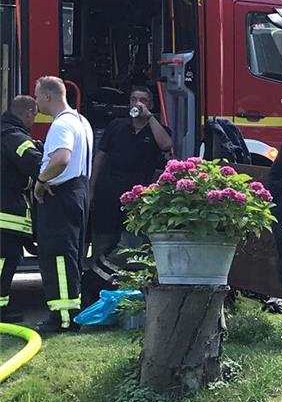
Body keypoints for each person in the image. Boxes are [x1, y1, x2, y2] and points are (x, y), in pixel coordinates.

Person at [33, 76, 94, 333]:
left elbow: (61, 158)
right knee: (71, 254)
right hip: (78, 192)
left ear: (48, 96)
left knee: (57, 255)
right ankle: (69, 313)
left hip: (61, 195)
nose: (35, 101)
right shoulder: (81, 121)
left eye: (37, 96)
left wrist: (40, 179)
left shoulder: (61, 125)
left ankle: (63, 318)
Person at [90, 86, 172, 258]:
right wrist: (92, 187)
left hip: (138, 196)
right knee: (103, 238)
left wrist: (149, 117)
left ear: (150, 104)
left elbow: (166, 145)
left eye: (143, 100)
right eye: (134, 100)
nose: (138, 104)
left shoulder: (157, 129)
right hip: (109, 193)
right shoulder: (116, 125)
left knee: (133, 242)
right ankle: (96, 277)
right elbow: (100, 156)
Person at [1, 95, 44, 321]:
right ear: (27, 113)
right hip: (6, 214)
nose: (34, 121)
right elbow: (37, 164)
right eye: (34, 116)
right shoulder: (16, 139)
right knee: (5, 259)